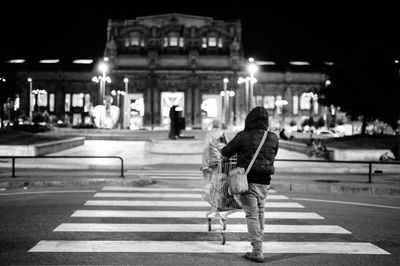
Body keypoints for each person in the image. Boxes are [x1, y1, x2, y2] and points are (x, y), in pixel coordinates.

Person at [221, 106, 279, 263]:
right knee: (260, 212)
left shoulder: (243, 136)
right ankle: (259, 244)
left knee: (252, 214)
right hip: (265, 182)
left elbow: (226, 151)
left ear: (249, 119)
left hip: (248, 180)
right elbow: (273, 154)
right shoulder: (272, 137)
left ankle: (257, 250)